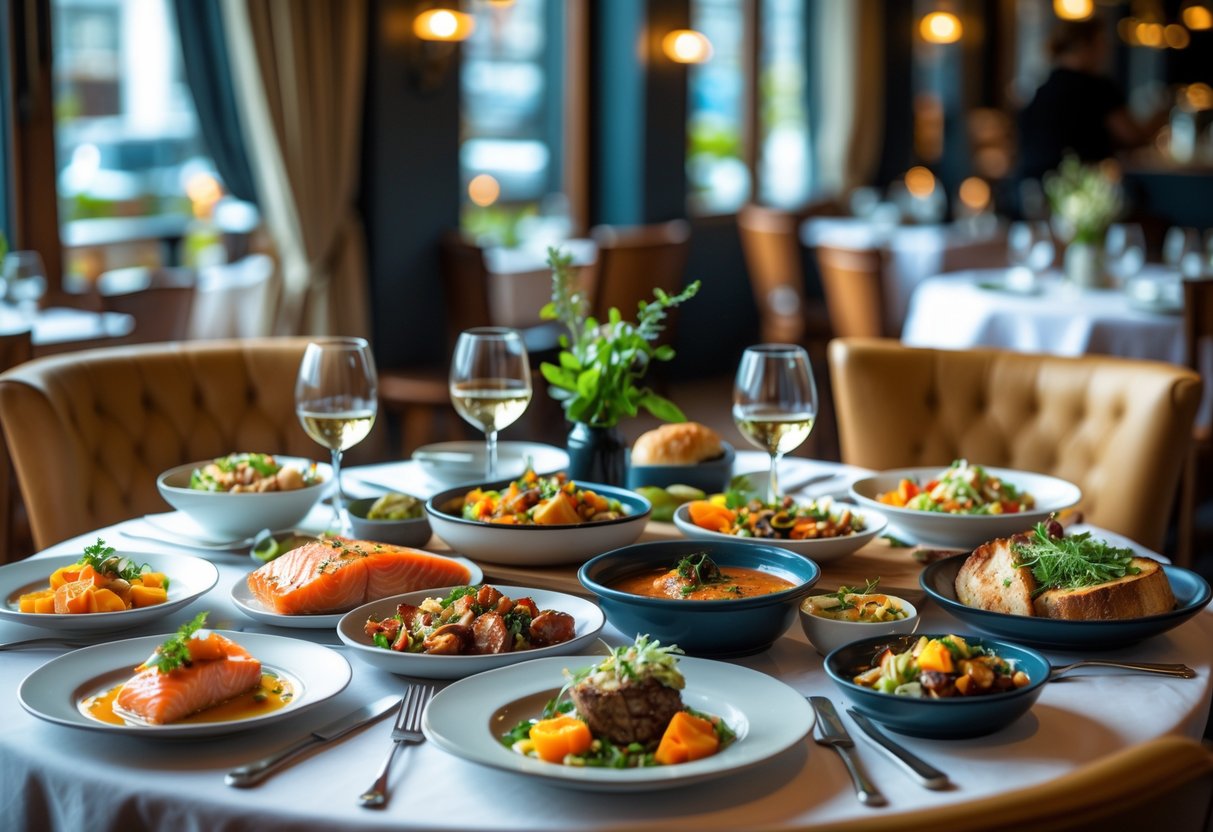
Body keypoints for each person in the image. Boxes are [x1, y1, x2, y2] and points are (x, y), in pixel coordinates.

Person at [1016, 18, 1163, 184]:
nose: (1105, 51)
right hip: (1083, 192)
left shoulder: (1042, 91)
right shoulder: (1097, 89)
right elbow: (1133, 137)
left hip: (1034, 189)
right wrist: (1163, 112)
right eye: (1102, 43)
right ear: (1084, 45)